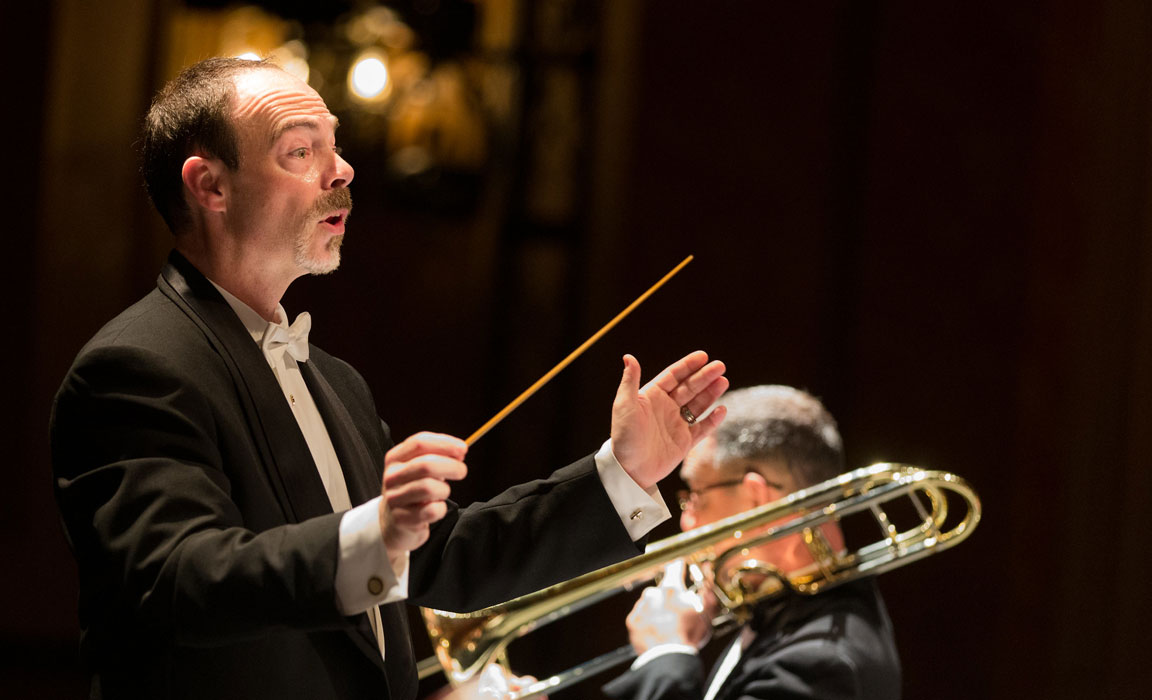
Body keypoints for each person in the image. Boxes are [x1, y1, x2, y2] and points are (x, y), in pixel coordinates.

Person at [50, 57, 730, 700]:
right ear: (211, 186)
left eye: (335, 146)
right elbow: (176, 580)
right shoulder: (136, 367)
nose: (342, 169)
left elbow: (443, 561)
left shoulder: (336, 382)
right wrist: (372, 533)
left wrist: (625, 472)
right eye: (300, 150)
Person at [603, 385, 901, 700]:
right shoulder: (784, 614)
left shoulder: (823, 662)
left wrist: (664, 656)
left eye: (696, 496)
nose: (686, 521)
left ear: (755, 498)